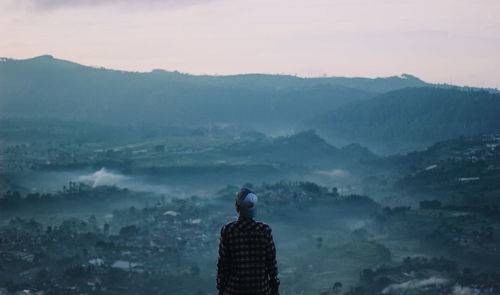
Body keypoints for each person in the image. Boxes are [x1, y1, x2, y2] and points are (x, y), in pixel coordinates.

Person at [217, 188, 280, 295]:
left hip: (234, 290)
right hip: (261, 289)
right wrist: (274, 287)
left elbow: (223, 264)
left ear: (237, 207)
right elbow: (271, 264)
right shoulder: (264, 230)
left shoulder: (228, 230)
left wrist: (221, 287)